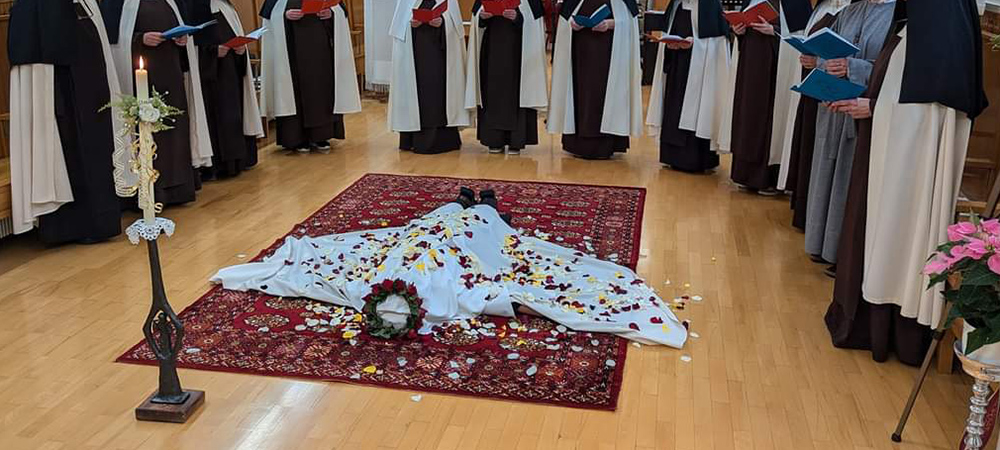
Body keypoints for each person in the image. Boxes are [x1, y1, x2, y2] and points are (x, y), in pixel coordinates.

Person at [212, 189, 688, 348]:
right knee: (481, 236)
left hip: (419, 245)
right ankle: (484, 210)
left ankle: (465, 205)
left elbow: (388, 254)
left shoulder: (368, 285)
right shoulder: (444, 297)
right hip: (450, 253)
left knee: (429, 227)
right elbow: (489, 288)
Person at [825, 0, 987, 365]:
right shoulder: (915, 28)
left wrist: (872, 109)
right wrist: (871, 108)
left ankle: (898, 334)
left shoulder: (942, 38)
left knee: (901, 240)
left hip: (910, 168)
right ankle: (874, 323)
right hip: (889, 154)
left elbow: (924, 118)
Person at [9, 0, 130, 244]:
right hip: (62, 103)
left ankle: (103, 223)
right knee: (72, 163)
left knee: (99, 159)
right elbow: (35, 67)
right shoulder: (35, 4)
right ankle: (73, 228)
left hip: (94, 97)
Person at [804, 0, 897, 272]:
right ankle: (819, 243)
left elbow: (892, 70)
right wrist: (816, 61)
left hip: (863, 112)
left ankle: (841, 253)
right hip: (833, 106)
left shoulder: (898, 17)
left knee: (848, 180)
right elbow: (829, 54)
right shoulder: (851, 11)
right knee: (825, 174)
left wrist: (853, 67)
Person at [100, 0, 212, 205]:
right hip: (139, 74)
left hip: (171, 71)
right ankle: (150, 191)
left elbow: (181, 22)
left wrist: (184, 39)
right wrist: (140, 39)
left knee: (174, 126)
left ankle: (179, 188)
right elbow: (113, 39)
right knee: (146, 129)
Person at [778, 0, 862, 228]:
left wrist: (820, 62)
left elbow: (850, 56)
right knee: (807, 142)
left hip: (834, 92)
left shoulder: (856, 9)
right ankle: (804, 208)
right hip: (812, 85)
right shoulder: (824, 4)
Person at [720, 0, 812, 194]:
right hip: (751, 65)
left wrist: (774, 31)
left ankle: (768, 177)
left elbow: (800, 34)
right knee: (749, 114)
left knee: (769, 118)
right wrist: (737, 29)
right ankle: (745, 173)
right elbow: (744, 21)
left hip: (775, 68)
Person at [259, 0, 361, 153]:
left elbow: (341, 13)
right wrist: (285, 16)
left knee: (321, 91)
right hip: (293, 53)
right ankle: (297, 139)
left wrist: (330, 14)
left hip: (321, 52)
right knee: (294, 92)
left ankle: (321, 136)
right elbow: (271, 17)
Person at [548, 0, 642, 159]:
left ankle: (605, 144)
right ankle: (579, 144)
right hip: (581, 55)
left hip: (608, 55)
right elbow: (565, 19)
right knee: (582, 96)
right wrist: (573, 24)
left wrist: (610, 24)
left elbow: (630, 20)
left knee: (602, 96)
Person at [645, 0, 730, 172]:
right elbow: (669, 31)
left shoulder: (709, 7)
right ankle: (672, 157)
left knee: (698, 111)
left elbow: (717, 43)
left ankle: (696, 160)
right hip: (676, 69)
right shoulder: (676, 4)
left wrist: (695, 44)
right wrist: (670, 44)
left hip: (700, 73)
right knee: (673, 109)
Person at [181, 0, 263, 178]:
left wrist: (239, 49)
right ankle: (216, 166)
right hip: (208, 79)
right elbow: (191, 49)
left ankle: (238, 161)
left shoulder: (225, 4)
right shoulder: (191, 9)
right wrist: (213, 52)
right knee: (215, 120)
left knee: (234, 117)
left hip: (231, 73)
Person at [465, 0, 547, 154]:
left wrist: (517, 17)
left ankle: (516, 140)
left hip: (516, 55)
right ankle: (494, 139)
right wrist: (482, 18)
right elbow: (477, 20)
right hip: (492, 54)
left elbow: (533, 21)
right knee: (493, 93)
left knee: (514, 95)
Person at [388, 0, 469, 153]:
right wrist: (411, 24)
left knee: (438, 96)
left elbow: (456, 29)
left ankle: (443, 140)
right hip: (415, 60)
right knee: (417, 95)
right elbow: (399, 31)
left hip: (440, 59)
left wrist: (442, 23)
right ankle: (412, 139)